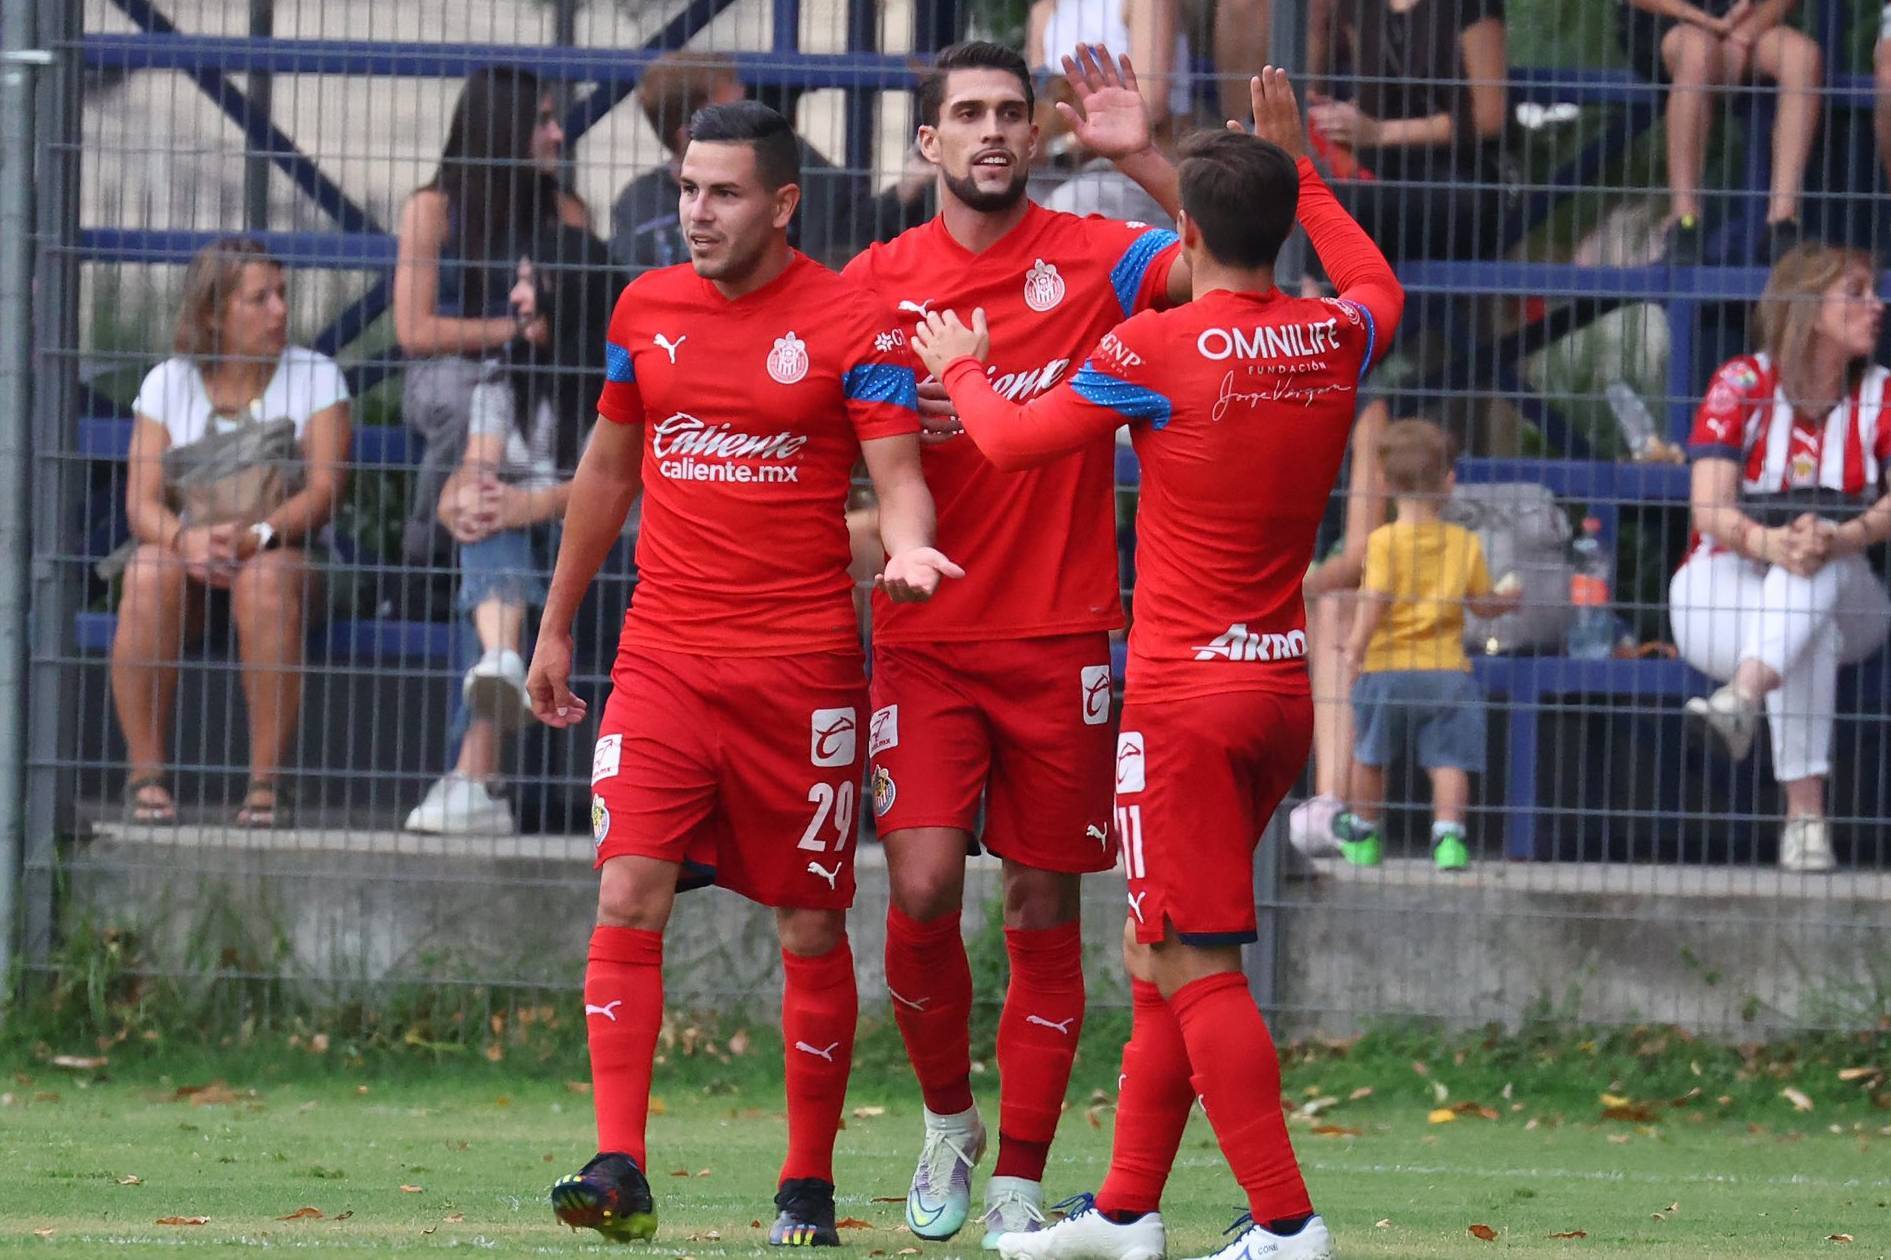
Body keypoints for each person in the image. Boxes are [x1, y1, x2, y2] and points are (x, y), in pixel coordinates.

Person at [910, 67, 1402, 1260]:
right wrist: (1309, 179)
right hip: (1280, 691)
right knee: (1154, 950)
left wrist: (962, 360)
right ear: (1282, 226)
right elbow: (1373, 277)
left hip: (1180, 701)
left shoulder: (1151, 345)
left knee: (1194, 961)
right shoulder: (1338, 333)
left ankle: (1285, 1223)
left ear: (1181, 231)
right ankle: (1125, 1212)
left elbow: (1015, 442)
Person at [525, 101, 957, 1246]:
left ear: (781, 203)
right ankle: (619, 1166)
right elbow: (607, 473)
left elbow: (897, 471)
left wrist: (908, 543)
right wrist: (556, 627)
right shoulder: (644, 307)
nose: (695, 213)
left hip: (800, 677)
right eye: (684, 188)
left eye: (720, 193)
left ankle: (804, 1185)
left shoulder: (850, 320)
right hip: (662, 658)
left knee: (809, 927)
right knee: (626, 889)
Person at [840, 40, 1191, 1246]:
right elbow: (841, 454)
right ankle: (948, 1121)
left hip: (1064, 639)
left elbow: (1238, 259)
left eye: (1010, 114)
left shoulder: (1098, 256)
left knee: (1045, 908)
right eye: (967, 115)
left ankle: (1020, 1181)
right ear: (927, 143)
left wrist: (1139, 154)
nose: (993, 131)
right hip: (930, 641)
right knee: (924, 887)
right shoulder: (877, 282)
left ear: (1034, 138)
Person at [112, 238, 351, 828]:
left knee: (265, 582)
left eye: (282, 295)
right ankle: (145, 778)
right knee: (146, 571)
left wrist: (259, 534)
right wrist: (184, 542)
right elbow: (140, 504)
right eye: (259, 298)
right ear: (214, 313)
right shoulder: (169, 382)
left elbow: (323, 494)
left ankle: (267, 788)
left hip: (288, 556)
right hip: (190, 561)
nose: (280, 311)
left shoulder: (317, 376)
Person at [1670, 242, 1891, 873]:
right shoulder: (1741, 382)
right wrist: (1772, 545)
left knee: (1816, 570)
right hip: (1723, 587)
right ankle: (1805, 823)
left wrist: (1839, 539)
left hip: (1854, 594)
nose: (1876, 307)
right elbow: (1708, 509)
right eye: (1856, 293)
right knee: (1803, 633)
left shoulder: (1882, 393)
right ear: (1808, 307)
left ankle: (1739, 700)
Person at [404, 226, 617, 835]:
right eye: (518, 282)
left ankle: (476, 779)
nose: (518, 298)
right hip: (524, 565)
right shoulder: (504, 377)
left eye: (533, 282)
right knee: (489, 529)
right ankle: (499, 658)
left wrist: (532, 503)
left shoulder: (619, 379)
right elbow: (477, 463)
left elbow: (622, 484)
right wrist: (458, 500)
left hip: (610, 566)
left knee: (502, 538)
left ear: (570, 291)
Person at [394, 67, 589, 579]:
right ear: (504, 127)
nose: (558, 134)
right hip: (448, 369)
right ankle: (431, 562)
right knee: (470, 403)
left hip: (542, 371)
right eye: (543, 121)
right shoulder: (432, 209)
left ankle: (541, 556)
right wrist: (512, 333)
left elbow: (583, 321)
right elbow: (415, 332)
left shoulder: (565, 213)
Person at [1333, 419, 1520, 870]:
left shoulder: (1383, 543)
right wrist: (1507, 600)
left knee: (1371, 756)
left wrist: (1356, 648)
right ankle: (1450, 839)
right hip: (1447, 671)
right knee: (1449, 760)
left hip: (1387, 669)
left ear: (1383, 482)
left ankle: (1363, 836)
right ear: (1449, 481)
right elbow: (1481, 604)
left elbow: (1374, 600)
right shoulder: (1464, 543)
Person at [610, 52, 927, 272]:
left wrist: (905, 189)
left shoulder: (785, 159)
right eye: (732, 112)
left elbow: (846, 228)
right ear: (687, 136)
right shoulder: (638, 203)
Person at [1303, 0, 1510, 264]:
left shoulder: (1472, 6)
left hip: (1459, 184)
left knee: (1329, 210)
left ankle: (1313, 297)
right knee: (1298, 200)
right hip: (1379, 178)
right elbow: (1372, 100)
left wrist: (1379, 132)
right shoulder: (1357, 8)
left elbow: (1488, 117)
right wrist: (1339, 117)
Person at [1618, 0, 1822, 263]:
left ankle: (1782, 221)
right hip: (1669, 20)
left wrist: (1742, 34)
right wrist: (1710, 23)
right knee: (1698, 53)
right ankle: (1684, 218)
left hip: (1744, 23)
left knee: (1803, 57)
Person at [1288, 397, 1391, 854]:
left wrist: (1287, 584)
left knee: (1334, 608)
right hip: (1273, 576)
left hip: (1325, 583)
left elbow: (1358, 558)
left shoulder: (1368, 414)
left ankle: (1329, 803)